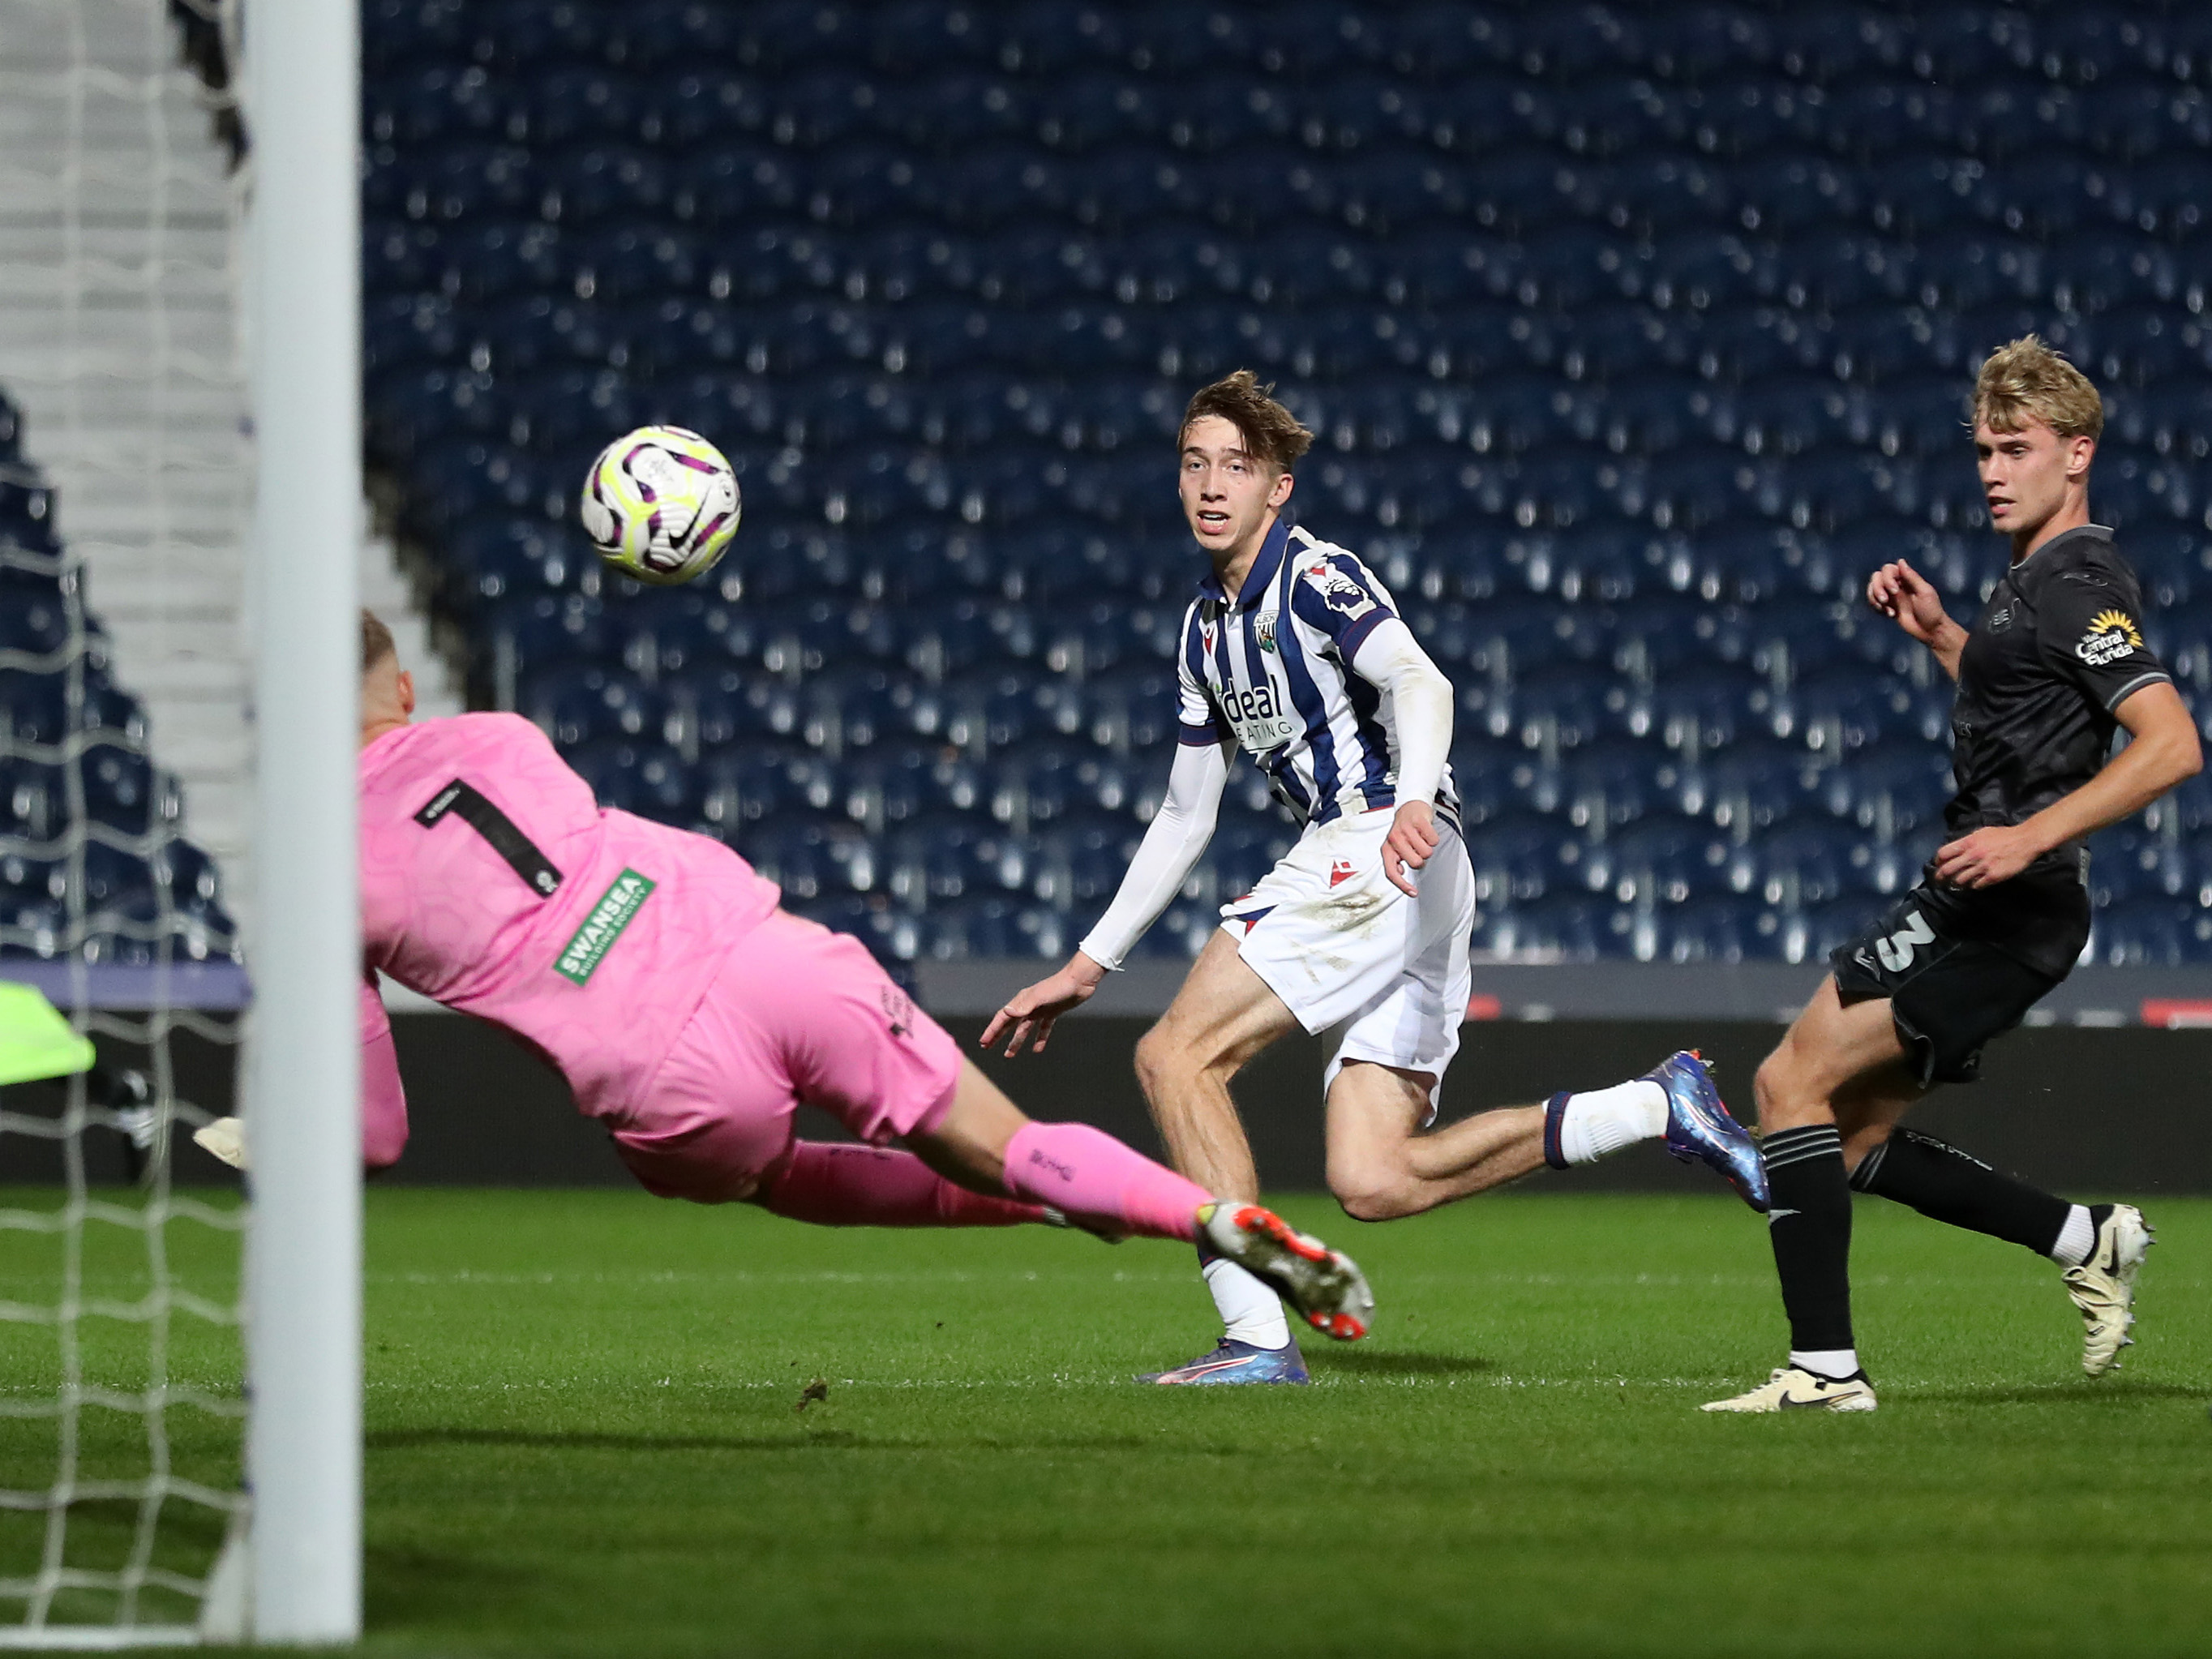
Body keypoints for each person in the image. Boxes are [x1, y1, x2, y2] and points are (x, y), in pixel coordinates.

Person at [199, 611, 1379, 1347]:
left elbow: (378, 1137)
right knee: (1004, 1132)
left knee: (777, 1174)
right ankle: (1199, 1211)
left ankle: (1048, 1205)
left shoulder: (321, 880)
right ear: (404, 693)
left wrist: (282, 1136)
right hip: (753, 943)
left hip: (654, 1063)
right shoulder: (505, 734)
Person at [986, 371, 1767, 1386]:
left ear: (1278, 489)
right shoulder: (1201, 633)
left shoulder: (1314, 576)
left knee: (1176, 1058)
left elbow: (1418, 679)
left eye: (1238, 466)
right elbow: (1185, 813)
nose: (1212, 485)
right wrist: (1088, 963)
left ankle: (1256, 1340)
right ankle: (1659, 1105)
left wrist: (1409, 795)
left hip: (1378, 842)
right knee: (1374, 1176)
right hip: (1414, 872)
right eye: (1194, 463)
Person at [1706, 337, 2201, 1414]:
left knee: (1790, 1087)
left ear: (2078, 455)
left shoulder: (2078, 584)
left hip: (2010, 905)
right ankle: (2087, 1239)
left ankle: (1824, 1370)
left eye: (2016, 448)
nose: (1991, 469)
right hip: (1974, 891)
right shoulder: (2032, 580)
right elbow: (2029, 714)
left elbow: (2170, 744)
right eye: (1982, 448)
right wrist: (1944, 638)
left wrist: (2028, 838)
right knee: (1846, 1133)